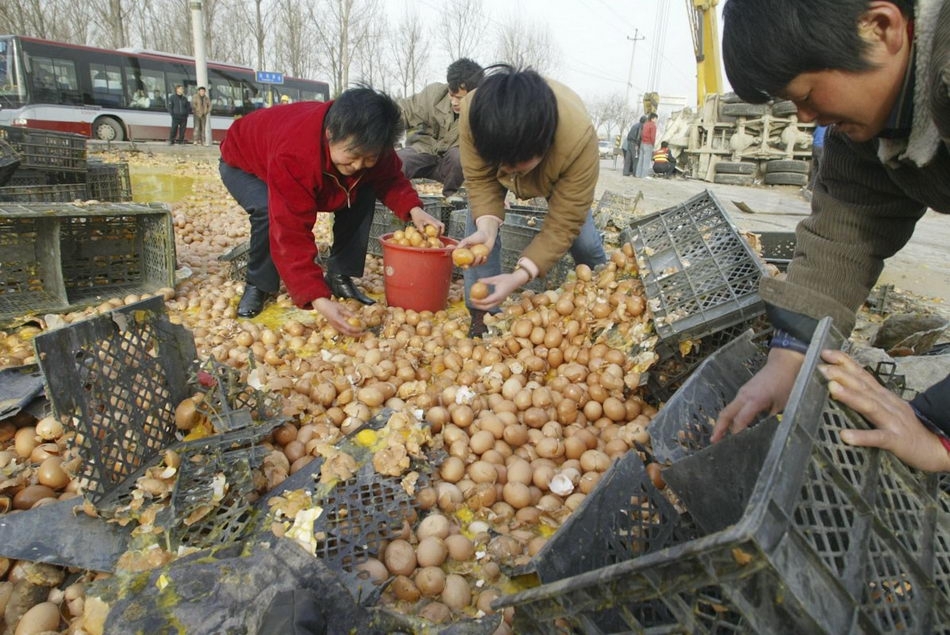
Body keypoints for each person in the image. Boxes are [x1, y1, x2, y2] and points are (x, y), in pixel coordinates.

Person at [711, 0, 950, 473]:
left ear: (879, 28)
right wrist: (789, 355)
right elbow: (849, 222)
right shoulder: (868, 124)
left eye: (806, 94)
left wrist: (941, 434)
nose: (803, 118)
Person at [218, 86, 444, 330]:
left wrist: (414, 210)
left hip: (303, 162)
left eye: (369, 158)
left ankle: (339, 275)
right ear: (330, 133)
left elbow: (390, 178)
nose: (358, 164)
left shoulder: (372, 140)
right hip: (244, 163)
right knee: (267, 211)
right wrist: (317, 297)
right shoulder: (295, 153)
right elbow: (290, 229)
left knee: (362, 189)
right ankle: (258, 285)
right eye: (353, 155)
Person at [455, 65, 608, 337]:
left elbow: (563, 222)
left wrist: (520, 275)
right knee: (478, 232)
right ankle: (482, 315)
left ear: (545, 143)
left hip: (558, 175)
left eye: (519, 163)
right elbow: (479, 180)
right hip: (497, 162)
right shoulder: (473, 115)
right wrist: (487, 226)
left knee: (583, 241)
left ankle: (604, 292)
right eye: (501, 161)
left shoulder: (578, 141)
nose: (510, 168)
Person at [398, 58, 484, 198]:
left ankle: (450, 201)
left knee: (458, 157)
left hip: (455, 165)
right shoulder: (434, 94)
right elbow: (404, 111)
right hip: (424, 150)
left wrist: (498, 193)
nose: (454, 102)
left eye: (460, 98)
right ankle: (397, 200)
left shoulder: (485, 112)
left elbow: (495, 153)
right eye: (452, 95)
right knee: (399, 161)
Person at [635, 113, 658, 177]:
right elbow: (652, 137)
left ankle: (638, 174)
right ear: (653, 118)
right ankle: (644, 175)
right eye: (656, 119)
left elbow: (641, 134)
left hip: (642, 143)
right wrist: (653, 145)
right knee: (646, 161)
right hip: (648, 144)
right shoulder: (653, 126)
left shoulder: (645, 124)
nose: (656, 120)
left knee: (640, 160)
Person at [806, 124, 828, 192]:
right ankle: (822, 189)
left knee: (815, 167)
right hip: (822, 147)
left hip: (815, 147)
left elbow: (814, 134)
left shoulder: (820, 125)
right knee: (822, 169)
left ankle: (810, 187)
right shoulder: (829, 127)